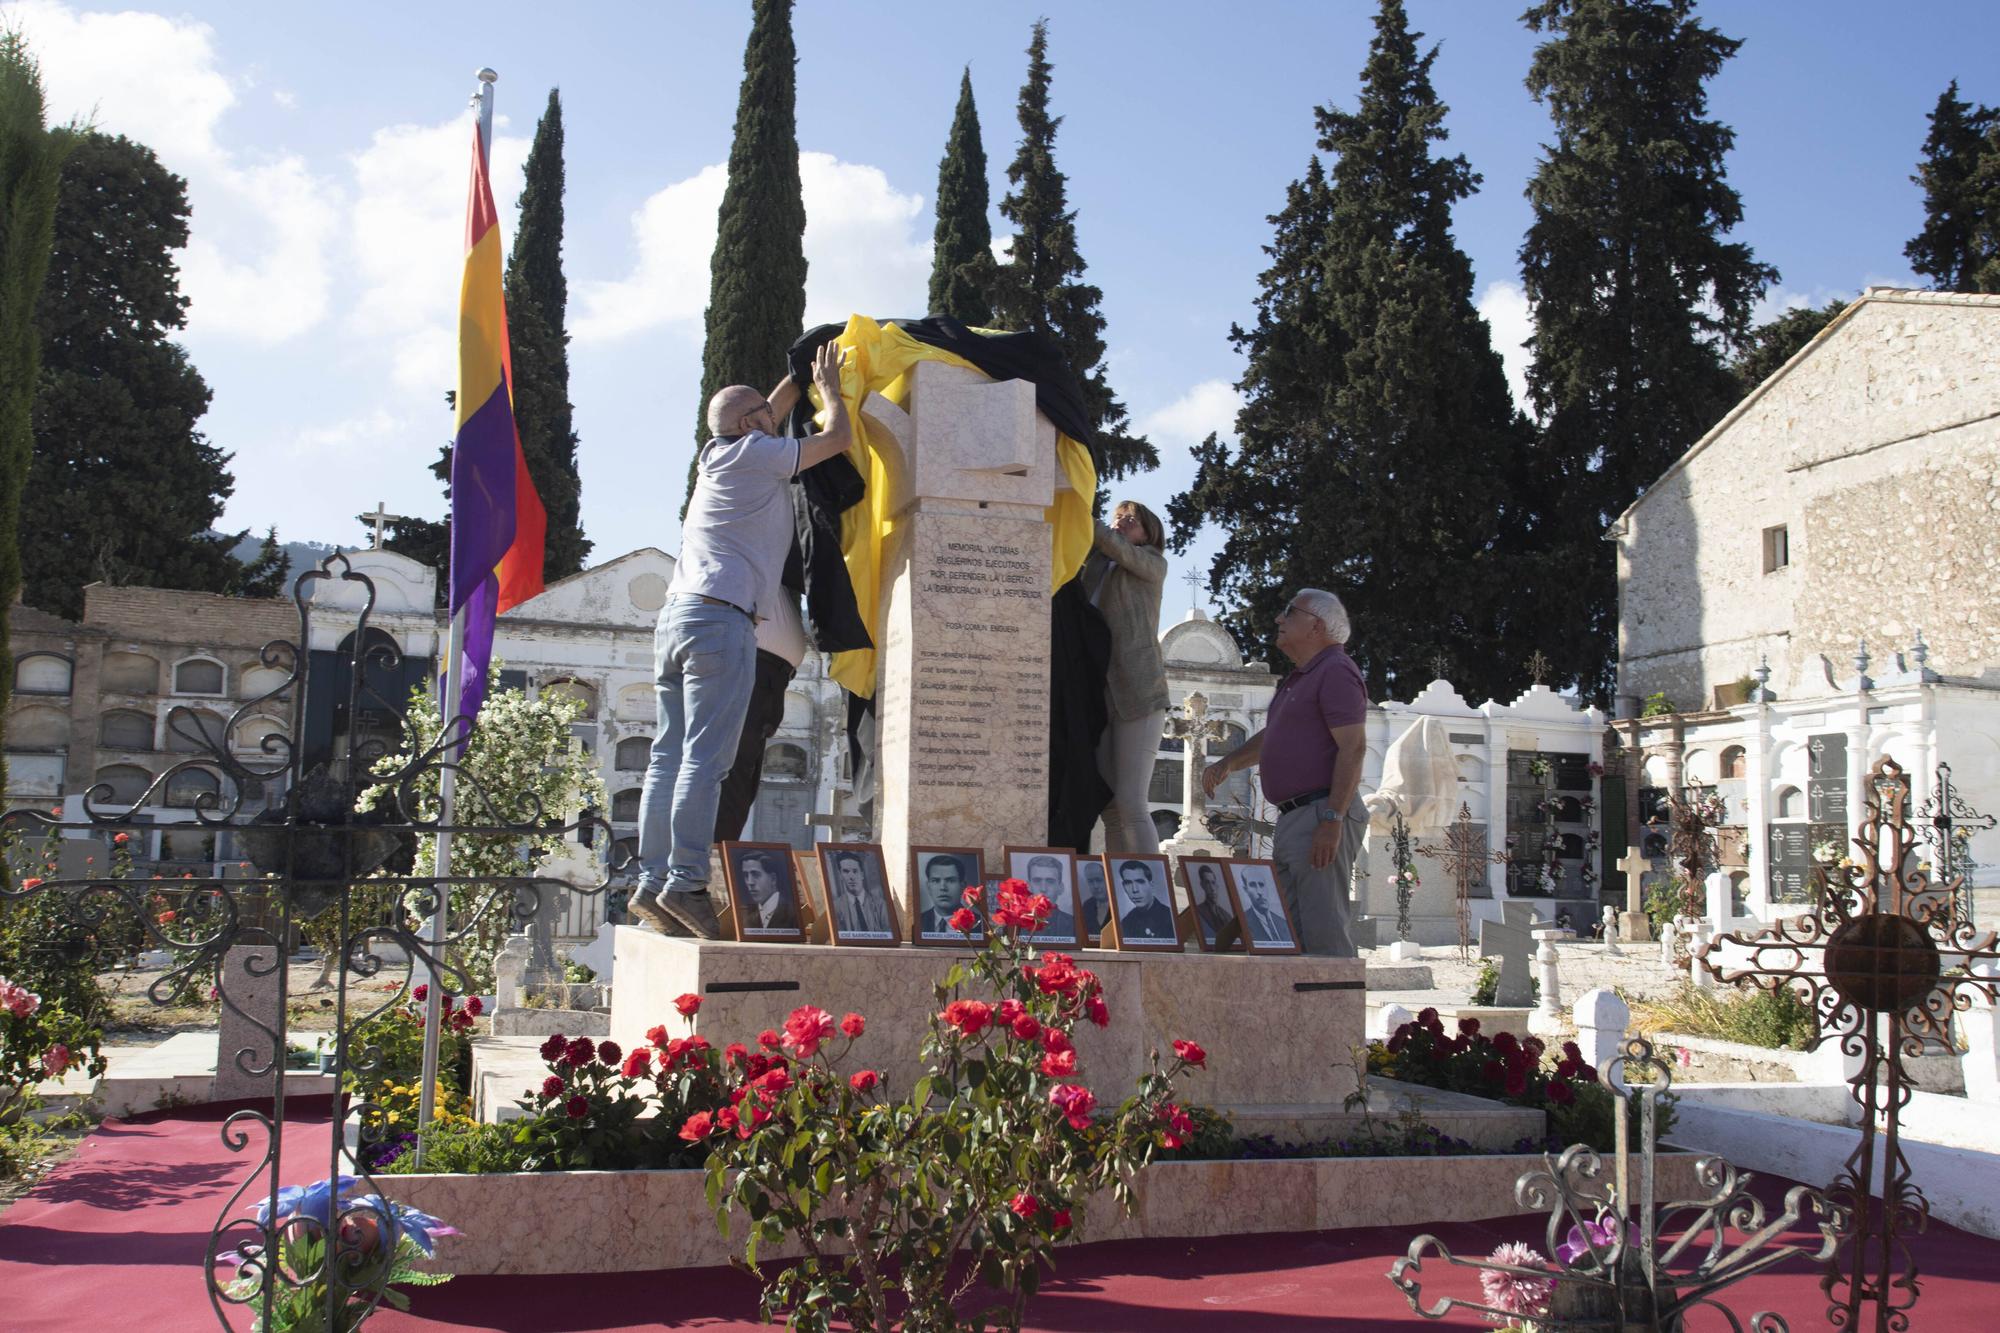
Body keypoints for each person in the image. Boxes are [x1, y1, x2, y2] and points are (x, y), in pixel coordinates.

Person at [629, 344, 851, 938]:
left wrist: (794, 375)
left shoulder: (717, 453)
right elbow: (837, 440)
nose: (775, 419)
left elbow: (766, 413)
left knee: (665, 758)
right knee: (707, 760)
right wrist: (828, 393)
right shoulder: (758, 453)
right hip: (723, 621)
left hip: (675, 619)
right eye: (765, 417)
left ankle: (650, 885)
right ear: (751, 426)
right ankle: (687, 883)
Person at [1202, 588, 1368, 957]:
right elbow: (1273, 737)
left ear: (1316, 626)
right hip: (1298, 816)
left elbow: (1353, 748)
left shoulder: (1336, 671)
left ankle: (1334, 1011)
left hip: (1321, 811)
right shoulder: (1302, 677)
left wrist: (1333, 819)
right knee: (1290, 933)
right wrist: (1229, 762)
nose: (1279, 619)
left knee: (1323, 934)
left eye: (1289, 612)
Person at [1083, 501, 1170, 854]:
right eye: (1117, 518)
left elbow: (1115, 545)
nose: (1120, 524)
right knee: (1110, 809)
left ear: (1149, 533)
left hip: (1139, 691)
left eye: (1130, 520)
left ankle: (1155, 898)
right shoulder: (1096, 567)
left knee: (1132, 803)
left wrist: (1081, 513)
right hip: (1101, 693)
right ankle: (1116, 897)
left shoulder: (1152, 563)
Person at [830, 850, 890, 935]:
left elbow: (888, 934)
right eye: (846, 871)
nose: (851, 877)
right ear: (840, 875)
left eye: (855, 871)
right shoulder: (836, 907)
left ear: (862, 874)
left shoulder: (880, 905)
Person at [1113, 859, 1175, 943]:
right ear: (1123, 886)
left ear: (1151, 884)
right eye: (1128, 883)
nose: (1134, 889)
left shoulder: (1169, 918)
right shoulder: (1126, 922)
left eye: (1140, 882)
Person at [738, 850, 798, 931]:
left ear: (773, 879)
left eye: (755, 874)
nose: (750, 882)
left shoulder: (792, 913)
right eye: (746, 875)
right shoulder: (749, 917)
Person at [1021, 854, 1077, 938]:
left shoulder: (1073, 923)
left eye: (1050, 881)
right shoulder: (1017, 925)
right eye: (1037, 881)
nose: (1043, 889)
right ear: (1028, 886)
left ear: (1060, 888)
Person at [918, 855, 972, 936]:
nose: (943, 888)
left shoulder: (979, 924)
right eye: (936, 881)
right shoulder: (918, 921)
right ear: (928, 886)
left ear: (963, 886)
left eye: (950, 881)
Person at [1189, 861, 1237, 948]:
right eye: (1207, 883)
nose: (1212, 888)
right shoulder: (1198, 911)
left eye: (1213, 883)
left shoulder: (1226, 915)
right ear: (1202, 885)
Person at [1237, 872, 1291, 947]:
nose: (1259, 892)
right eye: (1253, 885)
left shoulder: (1283, 923)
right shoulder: (1242, 922)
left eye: (1261, 885)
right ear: (1246, 890)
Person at [1076, 859, 1110, 938]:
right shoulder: (1087, 906)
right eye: (1091, 881)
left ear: (1107, 879)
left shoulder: (1117, 904)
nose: (1095, 886)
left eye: (1099, 880)